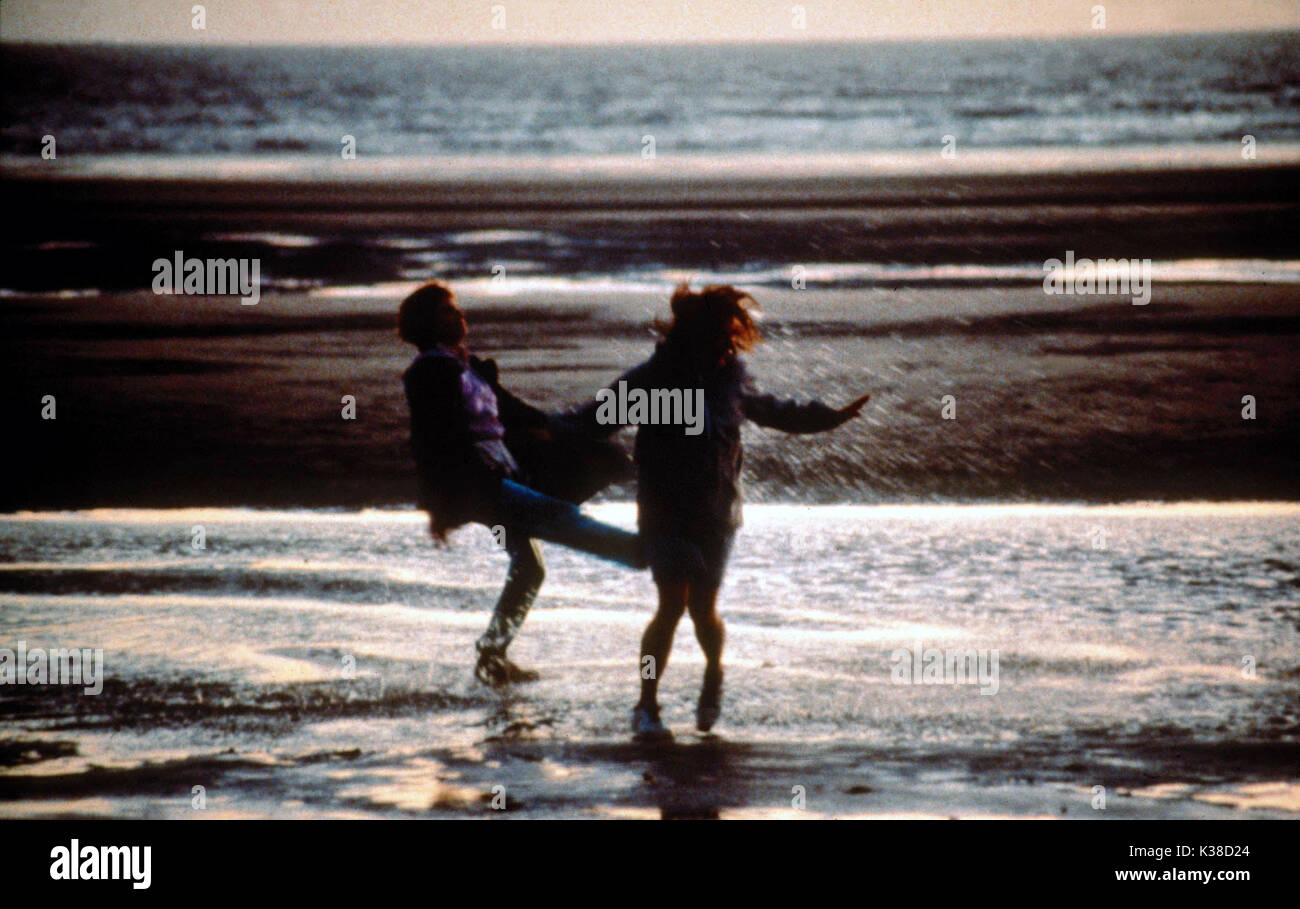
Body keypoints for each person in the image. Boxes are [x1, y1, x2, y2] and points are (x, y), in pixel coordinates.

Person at [565, 285, 869, 741]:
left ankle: (712, 675)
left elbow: (774, 411)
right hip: (665, 511)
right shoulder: (651, 379)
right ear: (692, 337)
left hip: (718, 512)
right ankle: (647, 702)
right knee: (669, 607)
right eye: (720, 338)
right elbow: (593, 419)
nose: (729, 346)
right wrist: (543, 429)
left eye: (732, 338)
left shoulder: (732, 381)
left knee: (704, 610)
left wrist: (828, 418)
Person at [399, 281, 643, 686]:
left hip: (503, 471)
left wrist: (552, 428)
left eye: (457, 309)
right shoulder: (427, 373)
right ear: (426, 323)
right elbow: (430, 442)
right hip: (474, 482)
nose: (459, 316)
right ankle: (641, 553)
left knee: (530, 566)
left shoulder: (468, 366)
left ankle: (493, 654)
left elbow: (512, 410)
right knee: (558, 516)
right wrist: (437, 506)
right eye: (447, 311)